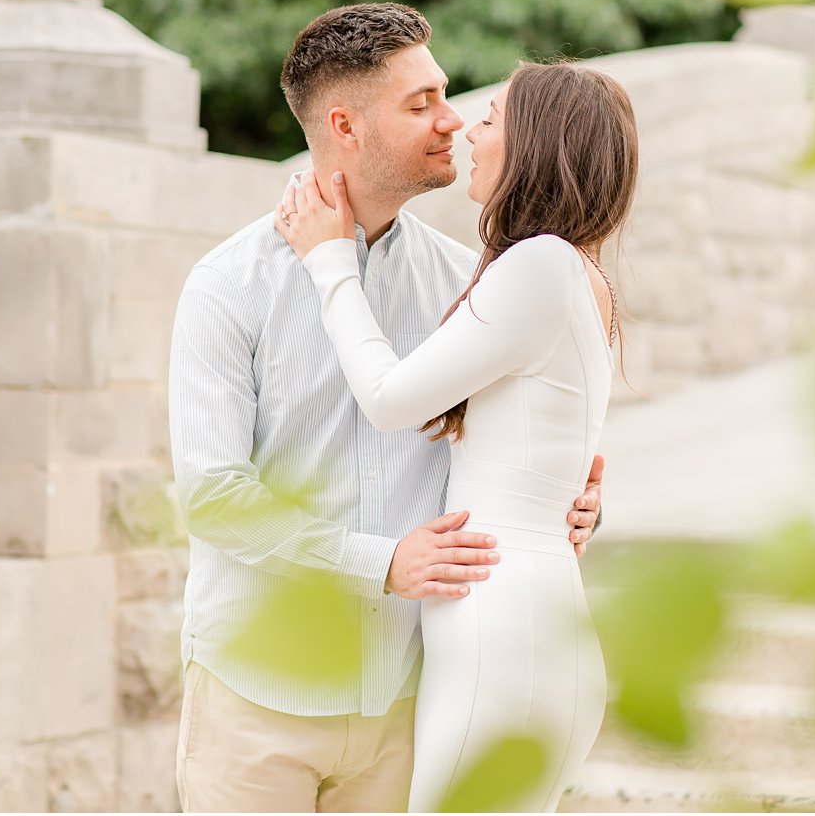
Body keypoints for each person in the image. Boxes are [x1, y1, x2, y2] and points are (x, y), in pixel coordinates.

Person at [168, 3, 604, 813]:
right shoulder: (228, 285)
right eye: (421, 105)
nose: (453, 122)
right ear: (346, 125)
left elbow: (513, 433)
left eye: (443, 93)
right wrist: (382, 561)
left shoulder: (466, 281)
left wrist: (566, 502)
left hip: (411, 695)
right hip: (258, 703)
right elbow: (213, 497)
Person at [273, 59, 637, 812]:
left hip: (503, 630)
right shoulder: (571, 272)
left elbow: (389, 397)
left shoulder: (539, 265)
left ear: (537, 144)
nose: (470, 129)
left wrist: (329, 262)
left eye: (493, 117)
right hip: (531, 622)